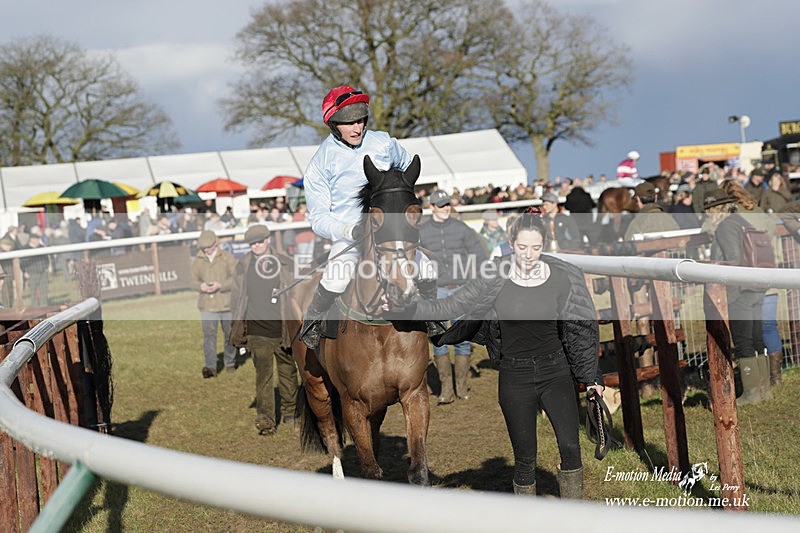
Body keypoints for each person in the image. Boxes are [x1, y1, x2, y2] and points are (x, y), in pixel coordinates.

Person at [389, 209, 602, 498]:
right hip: (515, 376)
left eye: (536, 247)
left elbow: (581, 330)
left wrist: (592, 378)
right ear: (511, 243)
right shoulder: (494, 274)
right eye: (522, 247)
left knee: (570, 447)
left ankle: (573, 515)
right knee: (525, 457)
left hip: (556, 372)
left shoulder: (565, 276)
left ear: (545, 244)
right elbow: (452, 305)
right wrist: (408, 309)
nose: (529, 255)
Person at [299, 84, 438, 349]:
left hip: (390, 231)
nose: (357, 128)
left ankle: (434, 320)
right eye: (349, 123)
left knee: (426, 267)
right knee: (337, 275)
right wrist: (348, 231)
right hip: (351, 235)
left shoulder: (384, 143)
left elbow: (406, 170)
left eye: (361, 120)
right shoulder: (320, 163)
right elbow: (318, 218)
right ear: (333, 125)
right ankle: (313, 322)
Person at [419, 189, 489, 404]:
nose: (445, 208)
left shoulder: (461, 228)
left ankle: (462, 387)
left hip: (461, 289)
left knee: (462, 337)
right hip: (436, 291)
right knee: (439, 338)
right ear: (432, 207)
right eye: (441, 205)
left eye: (447, 204)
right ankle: (446, 389)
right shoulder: (422, 232)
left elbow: (479, 255)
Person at [230, 224, 299, 435]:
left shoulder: (286, 263)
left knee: (288, 372)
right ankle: (266, 420)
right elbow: (236, 298)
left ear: (268, 239)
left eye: (260, 241)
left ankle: (290, 411)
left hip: (283, 329)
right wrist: (237, 325)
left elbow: (297, 294)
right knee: (263, 375)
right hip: (257, 330)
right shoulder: (242, 266)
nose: (257, 246)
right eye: (252, 243)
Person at [702, 188, 769, 405]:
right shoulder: (740, 220)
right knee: (756, 339)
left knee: (743, 342)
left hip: (740, 290)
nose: (706, 215)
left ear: (715, 209)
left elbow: (734, 258)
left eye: (708, 210)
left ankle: (751, 393)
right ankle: (764, 389)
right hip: (755, 287)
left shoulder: (725, 226)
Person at [190, 230, 237, 378]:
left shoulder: (227, 258)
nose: (206, 250)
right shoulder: (198, 260)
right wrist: (200, 286)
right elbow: (192, 280)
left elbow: (236, 278)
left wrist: (220, 285)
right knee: (209, 337)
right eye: (204, 248)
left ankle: (230, 362)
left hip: (226, 304)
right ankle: (210, 367)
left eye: (209, 247)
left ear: (216, 244)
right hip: (207, 305)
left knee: (230, 334)